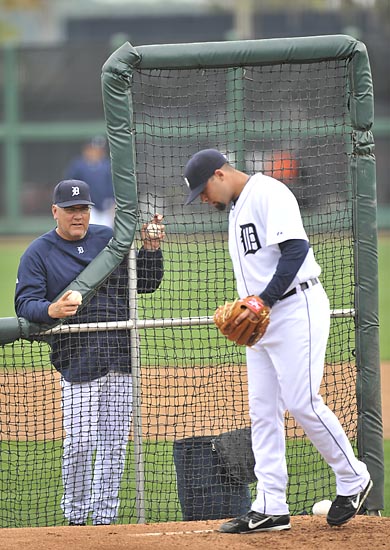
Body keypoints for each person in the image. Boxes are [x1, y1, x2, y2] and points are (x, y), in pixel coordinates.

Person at [183, 149, 372, 534]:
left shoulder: (268, 192)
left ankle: (354, 478)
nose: (204, 200)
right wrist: (255, 305)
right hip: (263, 319)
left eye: (204, 190)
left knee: (301, 400)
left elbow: (295, 250)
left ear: (220, 174)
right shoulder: (235, 209)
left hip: (294, 307)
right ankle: (271, 504)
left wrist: (262, 300)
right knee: (262, 410)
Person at [15, 179, 165, 526]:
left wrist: (151, 248)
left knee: (114, 445)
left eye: (82, 208)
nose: (77, 216)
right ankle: (76, 517)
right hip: (78, 361)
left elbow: (145, 282)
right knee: (80, 443)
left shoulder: (107, 239)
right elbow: (25, 304)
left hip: (121, 356)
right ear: (55, 212)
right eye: (70, 210)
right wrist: (50, 311)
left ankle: (104, 518)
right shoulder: (39, 252)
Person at [65, 136, 115, 227]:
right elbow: (70, 184)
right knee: (88, 232)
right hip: (86, 206)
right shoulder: (79, 166)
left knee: (105, 233)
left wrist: (113, 203)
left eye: (99, 149)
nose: (96, 152)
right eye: (93, 148)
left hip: (106, 207)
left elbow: (113, 187)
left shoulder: (108, 165)